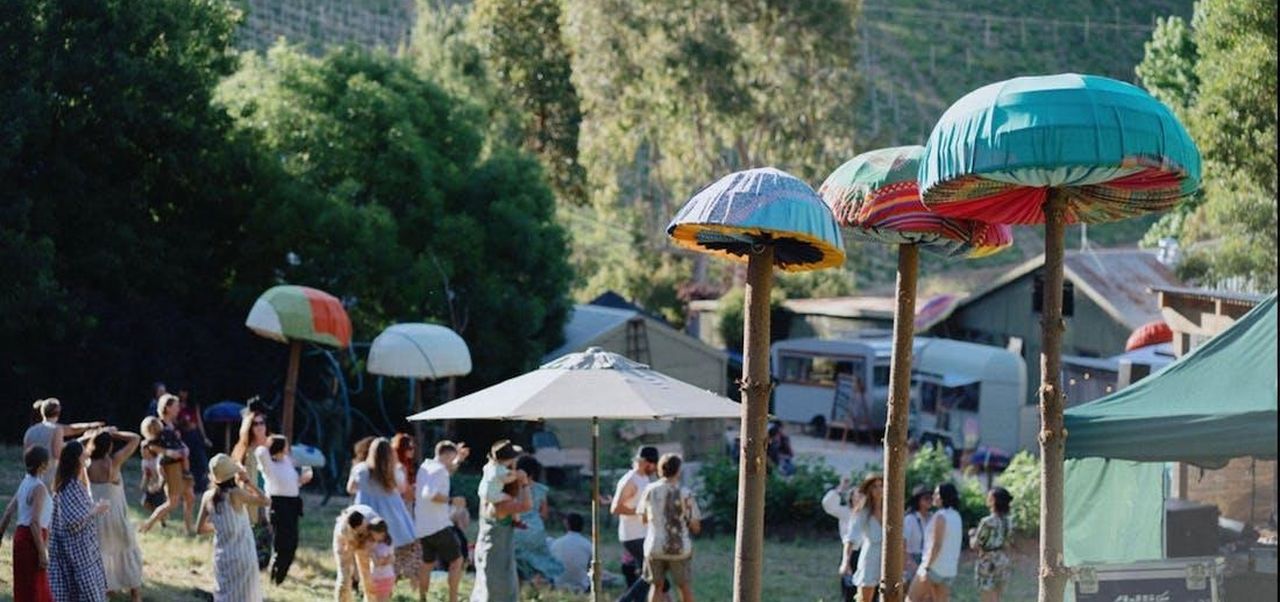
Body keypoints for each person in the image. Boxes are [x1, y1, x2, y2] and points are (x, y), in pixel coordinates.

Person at [195, 453, 270, 602]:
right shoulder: (236, 494)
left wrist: (220, 527)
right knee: (246, 596)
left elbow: (200, 529)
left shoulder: (207, 496)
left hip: (222, 556)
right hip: (242, 554)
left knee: (225, 595)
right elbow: (265, 501)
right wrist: (248, 481)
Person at [349, 437, 421, 588]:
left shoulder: (361, 470)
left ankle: (357, 580)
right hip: (390, 517)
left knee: (362, 548)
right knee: (385, 550)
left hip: (365, 514)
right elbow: (402, 490)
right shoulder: (394, 472)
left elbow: (350, 488)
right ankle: (383, 583)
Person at [49, 440, 111, 602]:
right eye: (84, 455)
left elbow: (79, 512)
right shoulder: (70, 486)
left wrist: (94, 508)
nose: (87, 456)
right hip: (78, 557)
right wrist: (96, 509)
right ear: (77, 459)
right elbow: (72, 522)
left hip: (84, 555)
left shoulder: (74, 483)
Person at [87, 428, 144, 601]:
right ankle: (135, 594)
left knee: (102, 553)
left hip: (97, 516)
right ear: (109, 446)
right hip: (116, 515)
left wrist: (93, 435)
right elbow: (135, 438)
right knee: (127, 550)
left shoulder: (86, 463)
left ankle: (106, 589)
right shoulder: (113, 462)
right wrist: (114, 433)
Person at [635, 453, 701, 602]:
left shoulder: (650, 490)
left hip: (654, 546)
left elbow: (642, 518)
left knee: (656, 586)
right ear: (678, 471)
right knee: (683, 586)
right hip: (679, 548)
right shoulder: (685, 493)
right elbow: (695, 525)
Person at [254, 434, 314, 585]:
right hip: (278, 505)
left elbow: (291, 483)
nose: (289, 448)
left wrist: (303, 479)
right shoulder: (269, 466)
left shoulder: (287, 461)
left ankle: (280, 576)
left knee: (292, 542)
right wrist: (268, 442)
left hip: (292, 503)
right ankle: (275, 577)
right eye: (286, 445)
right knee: (281, 543)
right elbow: (260, 452)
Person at [470, 459, 533, 602]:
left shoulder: (490, 496)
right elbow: (527, 505)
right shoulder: (501, 504)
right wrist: (523, 482)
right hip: (496, 558)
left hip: (491, 552)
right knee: (497, 594)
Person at [415, 440, 470, 602]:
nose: (454, 462)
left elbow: (447, 471)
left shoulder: (426, 467)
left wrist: (458, 459)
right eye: (452, 458)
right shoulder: (440, 471)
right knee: (457, 560)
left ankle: (422, 598)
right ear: (446, 455)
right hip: (438, 525)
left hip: (422, 526)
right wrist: (452, 500)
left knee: (427, 563)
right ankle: (453, 599)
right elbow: (429, 494)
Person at [0, 445, 55, 602]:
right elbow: (34, 522)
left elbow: (8, 511)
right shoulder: (39, 488)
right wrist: (42, 552)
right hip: (33, 539)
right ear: (43, 465)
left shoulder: (25, 482)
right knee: (36, 589)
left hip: (20, 537)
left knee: (24, 587)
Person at [140, 394, 195, 534]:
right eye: (176, 406)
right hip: (170, 466)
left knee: (190, 497)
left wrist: (184, 448)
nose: (178, 409)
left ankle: (189, 529)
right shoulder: (158, 425)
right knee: (173, 502)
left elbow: (177, 442)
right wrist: (169, 452)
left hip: (181, 465)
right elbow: (150, 445)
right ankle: (147, 525)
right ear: (168, 408)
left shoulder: (174, 425)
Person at [23, 398, 104, 491]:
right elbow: (58, 453)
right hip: (50, 477)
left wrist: (89, 426)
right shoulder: (56, 429)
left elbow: (26, 456)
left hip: (32, 477)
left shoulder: (30, 431)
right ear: (58, 412)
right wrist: (83, 439)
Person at [611, 445, 659, 595]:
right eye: (653, 465)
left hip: (643, 534)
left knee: (648, 575)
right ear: (646, 462)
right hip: (632, 535)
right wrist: (640, 512)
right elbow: (615, 508)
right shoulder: (630, 480)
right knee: (652, 573)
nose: (655, 468)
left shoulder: (644, 478)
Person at [514, 455, 564, 585]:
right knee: (539, 560)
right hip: (535, 529)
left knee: (517, 561)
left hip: (516, 528)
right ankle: (536, 584)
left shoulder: (512, 488)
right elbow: (544, 514)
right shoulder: (541, 489)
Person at [909, 483, 963, 602]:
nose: (933, 496)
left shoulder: (940, 516)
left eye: (937, 493)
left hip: (933, 567)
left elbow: (937, 544)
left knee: (911, 599)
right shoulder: (956, 516)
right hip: (949, 570)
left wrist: (926, 568)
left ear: (944, 497)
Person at [842, 474, 884, 602]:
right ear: (869, 490)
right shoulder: (863, 511)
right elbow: (851, 537)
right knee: (865, 597)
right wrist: (846, 561)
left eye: (881, 486)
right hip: (871, 554)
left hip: (889, 555)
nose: (879, 490)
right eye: (874, 487)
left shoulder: (891, 509)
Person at [822, 475, 862, 602]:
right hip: (851, 553)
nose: (860, 498)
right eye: (857, 495)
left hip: (868, 553)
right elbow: (828, 505)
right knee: (849, 589)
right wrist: (841, 488)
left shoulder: (870, 514)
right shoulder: (845, 512)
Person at [971, 487, 1014, 602]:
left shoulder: (987, 521)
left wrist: (972, 535)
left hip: (987, 562)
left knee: (987, 597)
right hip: (1002, 560)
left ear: (994, 500)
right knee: (997, 597)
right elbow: (1007, 543)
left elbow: (976, 544)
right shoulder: (1008, 521)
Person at [333, 504, 380, 602]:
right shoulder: (342, 528)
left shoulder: (373, 521)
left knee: (368, 576)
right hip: (345, 539)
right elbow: (344, 549)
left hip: (368, 538)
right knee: (344, 577)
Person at [176, 387, 214, 493]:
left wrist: (204, 437)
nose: (183, 394)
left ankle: (201, 485)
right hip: (184, 435)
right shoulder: (177, 405)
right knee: (188, 462)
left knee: (201, 461)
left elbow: (199, 422)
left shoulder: (193, 406)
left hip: (195, 435)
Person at [550, 512, 593, 593]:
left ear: (566, 524)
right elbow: (591, 567)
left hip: (559, 584)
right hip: (582, 586)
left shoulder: (556, 543)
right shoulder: (587, 544)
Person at [479, 440, 522, 517]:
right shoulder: (500, 470)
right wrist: (516, 476)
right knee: (510, 499)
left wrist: (511, 473)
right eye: (510, 460)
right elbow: (506, 480)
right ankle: (516, 519)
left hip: (482, 492)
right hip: (493, 495)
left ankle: (488, 512)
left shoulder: (490, 465)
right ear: (505, 460)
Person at [138, 417, 168, 517]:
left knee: (159, 503)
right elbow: (146, 475)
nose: (142, 453)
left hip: (159, 485)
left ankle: (161, 518)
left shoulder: (157, 460)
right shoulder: (144, 462)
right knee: (145, 502)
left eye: (145, 452)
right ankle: (156, 515)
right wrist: (143, 484)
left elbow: (162, 474)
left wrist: (159, 485)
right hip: (151, 486)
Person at [903, 486, 933, 581]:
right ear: (918, 500)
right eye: (926, 498)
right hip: (912, 560)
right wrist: (911, 563)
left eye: (930, 498)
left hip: (927, 560)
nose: (929, 501)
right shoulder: (910, 519)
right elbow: (903, 544)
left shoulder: (932, 517)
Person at [368, 518, 397, 602]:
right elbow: (379, 562)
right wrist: (383, 560)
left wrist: (373, 554)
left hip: (386, 577)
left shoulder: (388, 543)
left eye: (374, 534)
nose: (372, 536)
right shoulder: (372, 544)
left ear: (382, 533)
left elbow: (391, 559)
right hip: (375, 577)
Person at [392, 433, 417, 506]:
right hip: (399, 504)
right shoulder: (399, 467)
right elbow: (407, 494)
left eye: (413, 448)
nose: (412, 451)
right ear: (401, 448)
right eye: (409, 448)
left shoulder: (407, 465)